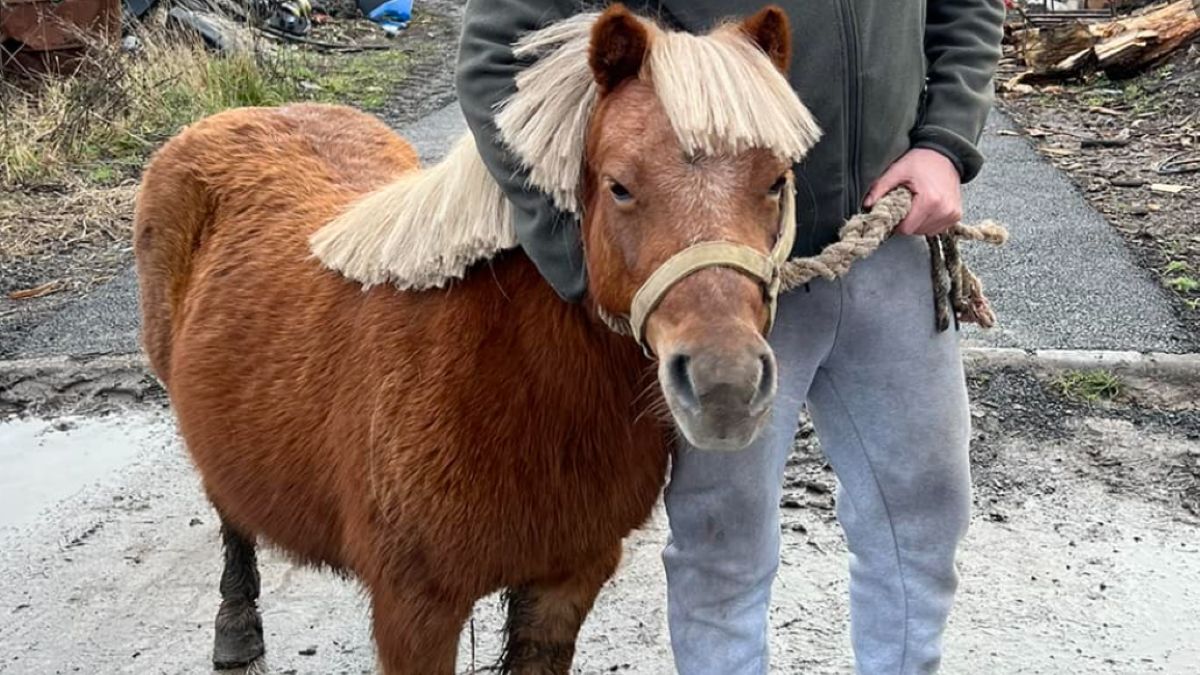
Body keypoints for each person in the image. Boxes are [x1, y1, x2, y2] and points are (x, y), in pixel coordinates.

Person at [455, 1, 1006, 673]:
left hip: (892, 238)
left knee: (922, 517)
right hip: (716, 280)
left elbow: (966, 8)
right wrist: (591, 266)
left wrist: (944, 142)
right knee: (722, 539)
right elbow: (495, 57)